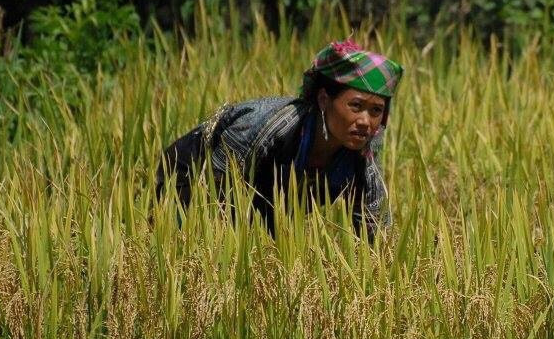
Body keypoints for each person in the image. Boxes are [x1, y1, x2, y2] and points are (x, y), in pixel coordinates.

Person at [154, 39, 403, 240]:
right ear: (324, 100)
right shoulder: (265, 126)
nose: (365, 121)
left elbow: (375, 228)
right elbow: (213, 192)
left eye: (376, 111)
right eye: (356, 105)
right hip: (192, 178)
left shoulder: (360, 158)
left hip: (268, 203)